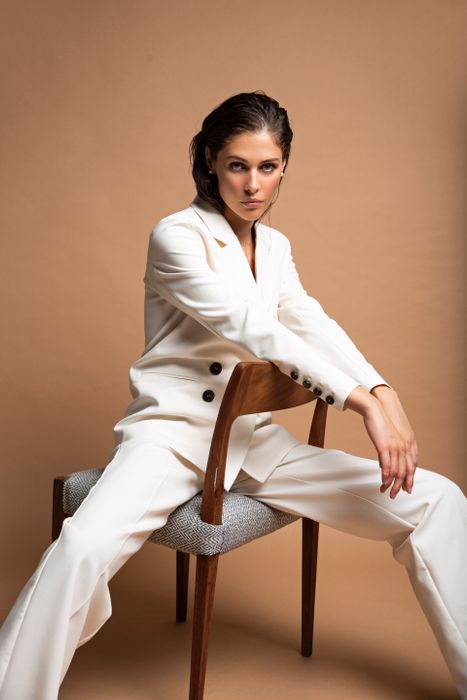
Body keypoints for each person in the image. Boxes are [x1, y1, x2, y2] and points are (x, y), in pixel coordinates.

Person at [0, 90, 465, 700]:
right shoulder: (176, 236)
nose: (252, 184)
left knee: (437, 499)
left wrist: (383, 390)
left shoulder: (275, 247)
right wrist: (361, 405)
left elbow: (310, 322)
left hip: (253, 445)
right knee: (83, 547)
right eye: (238, 165)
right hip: (171, 440)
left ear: (284, 168)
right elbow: (255, 329)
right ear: (210, 161)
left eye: (267, 167)